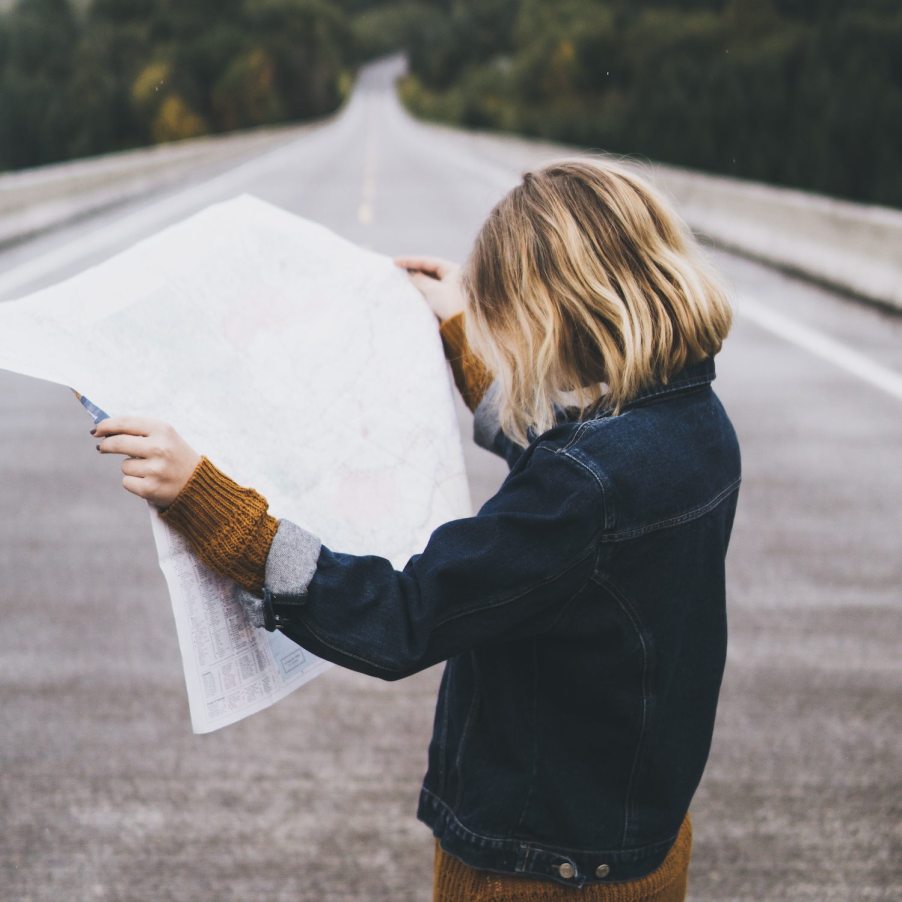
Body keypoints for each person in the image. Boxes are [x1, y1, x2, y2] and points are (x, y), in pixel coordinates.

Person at [92, 158, 740, 901]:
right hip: (642, 846)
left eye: (507, 322)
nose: (506, 342)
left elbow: (403, 616)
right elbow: (572, 481)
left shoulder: (583, 489)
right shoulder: (694, 425)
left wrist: (209, 502)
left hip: (532, 874)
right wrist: (459, 334)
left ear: (558, 313)